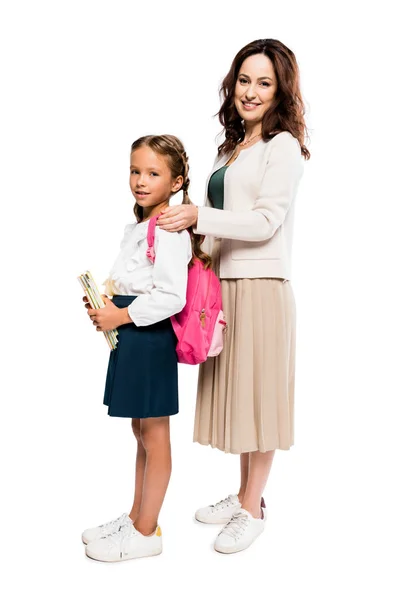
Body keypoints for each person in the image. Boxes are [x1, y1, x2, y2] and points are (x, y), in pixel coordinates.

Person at [157, 39, 310, 554]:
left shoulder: (282, 146)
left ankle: (253, 507)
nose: (251, 91)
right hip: (227, 284)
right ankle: (247, 493)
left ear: (280, 90)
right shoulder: (232, 149)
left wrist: (201, 216)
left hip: (263, 287)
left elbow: (267, 221)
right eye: (245, 79)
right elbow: (224, 226)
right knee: (243, 393)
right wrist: (193, 244)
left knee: (262, 396)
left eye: (264, 82)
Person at [81, 134, 210, 562]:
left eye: (153, 173)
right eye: (135, 171)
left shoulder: (169, 227)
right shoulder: (142, 225)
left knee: (154, 434)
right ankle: (138, 515)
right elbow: (136, 280)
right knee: (141, 431)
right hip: (134, 335)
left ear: (176, 182)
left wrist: (121, 315)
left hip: (150, 338)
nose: (140, 180)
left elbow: (171, 296)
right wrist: (107, 305)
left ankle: (146, 531)